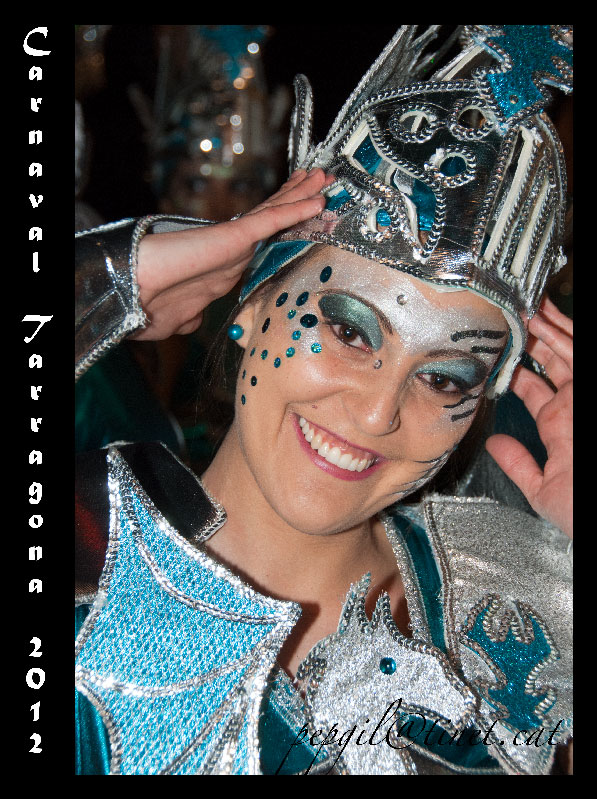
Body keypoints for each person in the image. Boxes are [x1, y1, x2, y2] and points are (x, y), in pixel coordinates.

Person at [75, 25, 572, 775]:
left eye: (444, 378)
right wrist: (102, 283)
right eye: (347, 331)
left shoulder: (519, 602)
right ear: (251, 301)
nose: (376, 414)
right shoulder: (90, 563)